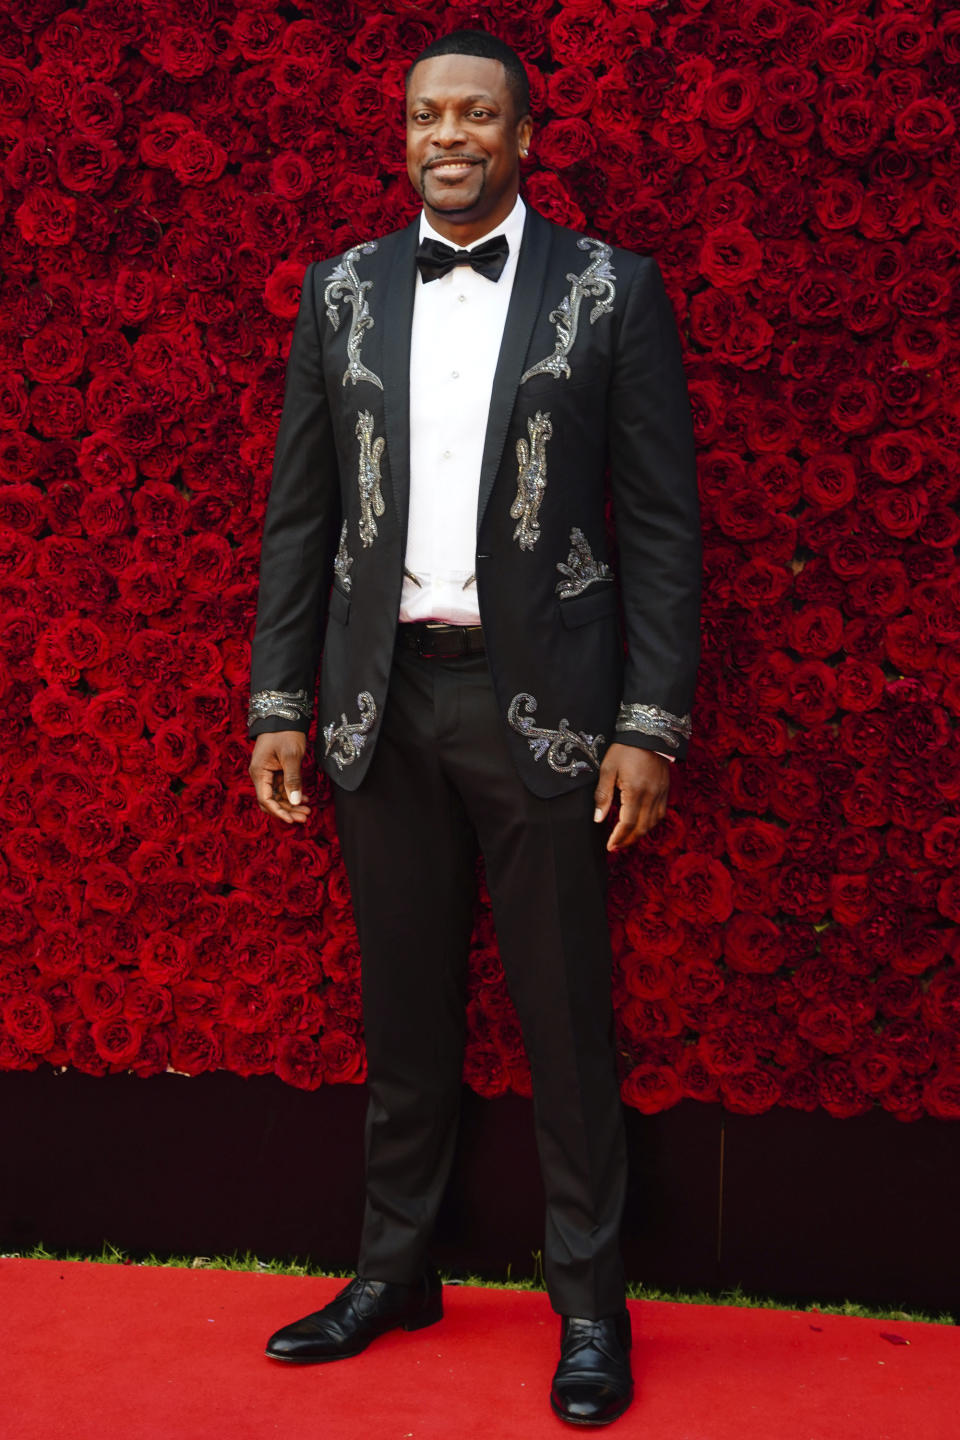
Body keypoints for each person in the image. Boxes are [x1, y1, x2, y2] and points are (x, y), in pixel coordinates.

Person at [246, 29, 700, 1428]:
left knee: (566, 1020)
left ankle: (588, 1310)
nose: (451, 133)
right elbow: (301, 513)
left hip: (546, 708)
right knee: (404, 1013)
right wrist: (278, 699)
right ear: (406, 134)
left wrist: (650, 722)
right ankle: (395, 1273)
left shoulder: (610, 289)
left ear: (521, 134)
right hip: (383, 700)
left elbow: (666, 525)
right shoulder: (343, 290)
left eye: (478, 113)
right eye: (428, 113)